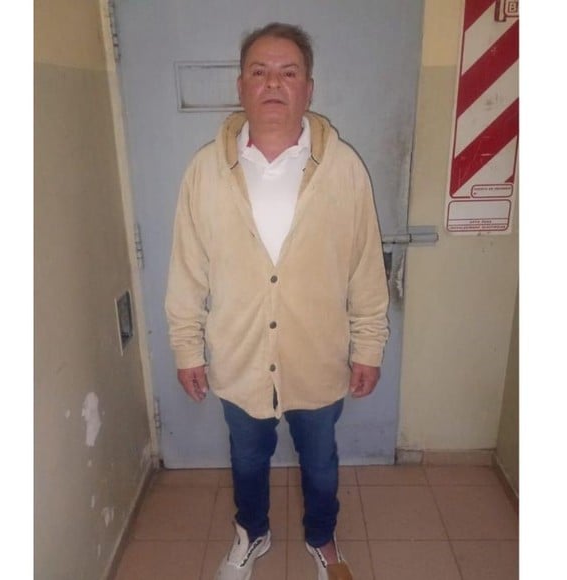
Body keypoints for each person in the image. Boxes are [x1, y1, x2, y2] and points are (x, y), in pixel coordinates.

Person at [165, 22, 389, 580]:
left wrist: (369, 346)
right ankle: (252, 532)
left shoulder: (344, 169)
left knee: (320, 460)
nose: (273, 83)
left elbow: (365, 266)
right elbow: (187, 269)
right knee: (246, 458)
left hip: (318, 353)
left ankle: (322, 538)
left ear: (308, 88)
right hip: (239, 355)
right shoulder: (205, 171)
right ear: (241, 85)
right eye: (260, 71)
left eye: (288, 72)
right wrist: (187, 348)